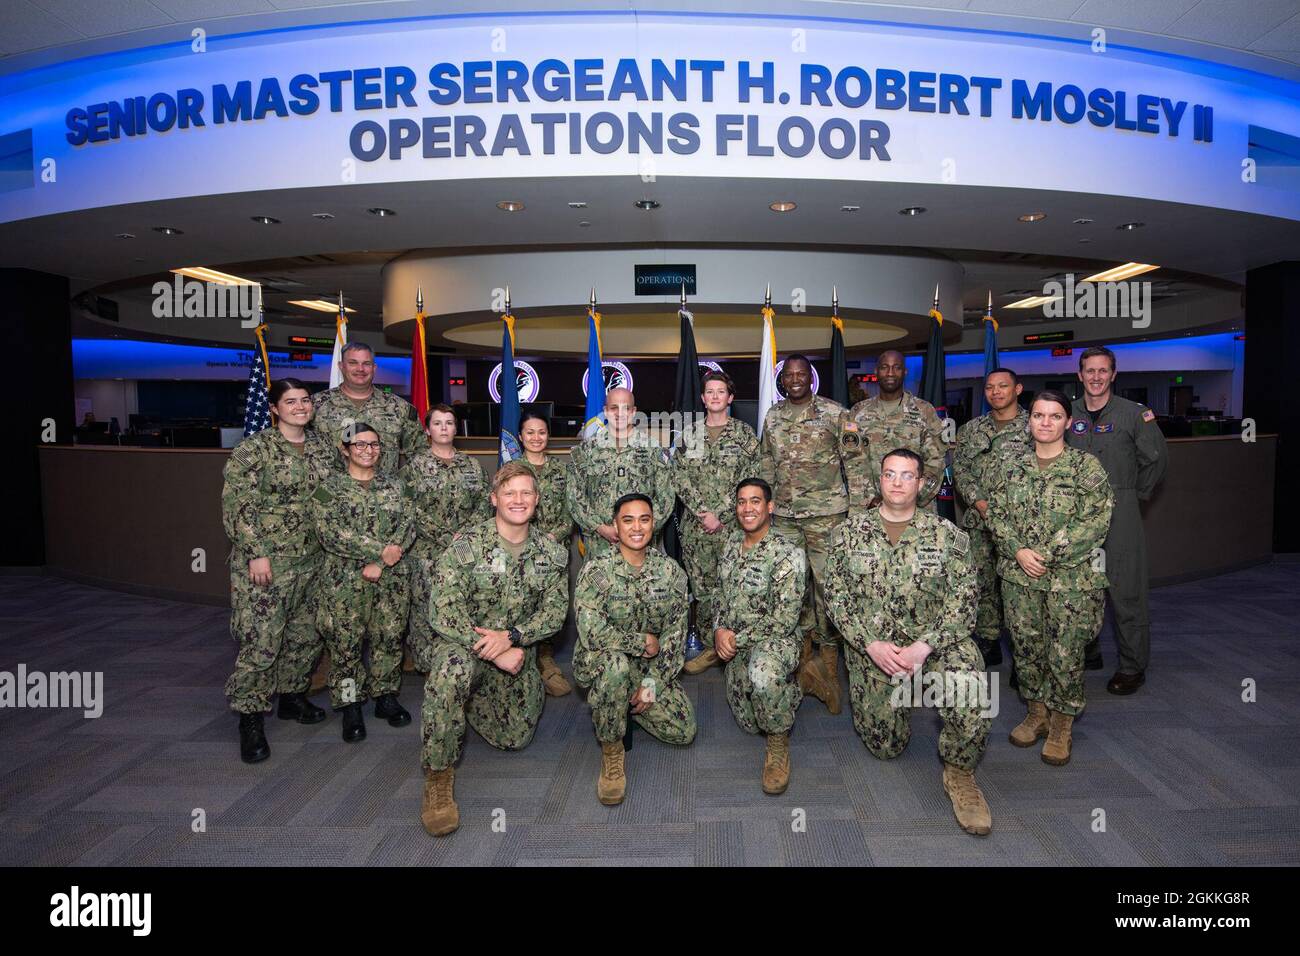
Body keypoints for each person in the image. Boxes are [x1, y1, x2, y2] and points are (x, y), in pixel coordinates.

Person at [824, 448, 992, 836]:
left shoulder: (948, 536)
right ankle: (906, 693)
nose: (897, 483)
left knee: (972, 689)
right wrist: (869, 644)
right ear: (879, 480)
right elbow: (835, 597)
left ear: (921, 483)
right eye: (890, 474)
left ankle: (960, 773)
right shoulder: (848, 534)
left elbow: (965, 602)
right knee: (886, 747)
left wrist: (925, 646)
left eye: (906, 475)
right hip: (876, 649)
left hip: (933, 644)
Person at [419, 462, 570, 836]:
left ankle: (471, 703)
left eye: (526, 493)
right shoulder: (465, 547)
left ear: (537, 500)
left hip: (516, 654)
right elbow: (442, 610)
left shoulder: (551, 553)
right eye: (509, 493)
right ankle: (439, 778)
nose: (518, 500)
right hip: (462, 645)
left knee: (514, 740)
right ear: (494, 499)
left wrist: (513, 638)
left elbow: (554, 614)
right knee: (451, 673)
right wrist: (492, 647)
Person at [986, 391, 1114, 766]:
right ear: (1029, 422)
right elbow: (995, 514)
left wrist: (1047, 554)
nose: (1045, 422)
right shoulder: (1010, 468)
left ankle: (1062, 723)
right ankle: (1037, 712)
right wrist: (1019, 552)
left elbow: (1096, 521)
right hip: (1019, 577)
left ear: (1066, 422)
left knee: (1065, 651)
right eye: (1038, 415)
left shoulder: (1085, 468)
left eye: (1054, 416)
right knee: (1026, 648)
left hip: (1070, 581)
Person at [222, 378, 337, 763]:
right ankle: (250, 717)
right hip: (268, 565)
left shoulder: (323, 448)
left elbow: (326, 494)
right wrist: (256, 553)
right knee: (262, 641)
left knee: (306, 636)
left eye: (305, 400)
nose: (301, 407)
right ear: (274, 408)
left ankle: (291, 696)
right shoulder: (254, 450)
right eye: (291, 402)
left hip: (313, 560)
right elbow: (239, 506)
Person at [307, 341, 427, 691]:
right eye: (353, 363)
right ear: (341, 367)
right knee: (342, 626)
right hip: (339, 514)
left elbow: (419, 452)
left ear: (375, 368)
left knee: (390, 624)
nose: (360, 369)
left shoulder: (397, 408)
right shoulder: (316, 407)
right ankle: (344, 688)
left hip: (390, 517)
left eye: (367, 363)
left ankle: (384, 688)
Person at [573, 494, 696, 806]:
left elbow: (673, 638)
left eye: (644, 519)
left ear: (654, 524)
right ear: (615, 525)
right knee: (615, 668)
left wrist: (651, 685)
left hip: (648, 668)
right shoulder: (596, 571)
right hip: (604, 661)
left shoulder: (671, 573)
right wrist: (639, 642)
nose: (637, 527)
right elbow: (592, 631)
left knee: (684, 731)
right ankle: (612, 750)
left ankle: (621, 706)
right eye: (628, 520)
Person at [1067, 346, 1169, 695]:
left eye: (1102, 371)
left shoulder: (1134, 414)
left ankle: (1131, 666)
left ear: (1113, 374)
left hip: (1120, 509)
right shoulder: (1067, 413)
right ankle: (1087, 652)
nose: (1095, 377)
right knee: (1077, 588)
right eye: (1089, 371)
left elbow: (1155, 460)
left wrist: (1133, 496)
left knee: (1126, 590)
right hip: (1076, 514)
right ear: (1079, 376)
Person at [310, 424, 416, 743]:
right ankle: (350, 704)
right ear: (345, 450)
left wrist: (383, 561)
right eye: (359, 445)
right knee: (346, 645)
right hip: (345, 579)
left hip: (391, 578)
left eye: (374, 445)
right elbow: (329, 532)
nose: (368, 451)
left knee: (389, 637)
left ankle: (385, 696)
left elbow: (409, 524)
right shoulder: (328, 488)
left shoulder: (398, 485)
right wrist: (376, 552)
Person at [757, 354, 847, 714]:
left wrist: (854, 513)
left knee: (828, 589)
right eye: (788, 375)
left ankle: (829, 665)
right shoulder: (774, 416)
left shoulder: (835, 413)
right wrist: (765, 502)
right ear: (782, 381)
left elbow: (853, 463)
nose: (794, 380)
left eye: (800, 374)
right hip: (785, 517)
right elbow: (765, 461)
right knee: (791, 589)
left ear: (811, 378)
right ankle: (800, 660)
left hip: (827, 517)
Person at [713, 478, 806, 794]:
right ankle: (790, 691)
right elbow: (720, 595)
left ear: (770, 507)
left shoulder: (787, 553)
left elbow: (783, 620)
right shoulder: (730, 545)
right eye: (741, 501)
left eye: (755, 501)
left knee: (763, 676)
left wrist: (735, 640)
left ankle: (778, 746)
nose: (747, 508)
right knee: (749, 722)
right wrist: (718, 630)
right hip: (737, 641)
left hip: (776, 641)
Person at [673, 371, 760, 675]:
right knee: (703, 590)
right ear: (702, 397)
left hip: (734, 527)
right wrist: (702, 512)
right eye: (709, 391)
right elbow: (679, 477)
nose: (714, 396)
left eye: (720, 391)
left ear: (730, 398)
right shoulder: (689, 435)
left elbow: (750, 479)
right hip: (696, 530)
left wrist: (720, 514)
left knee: (735, 585)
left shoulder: (745, 434)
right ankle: (713, 645)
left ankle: (738, 644)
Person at [953, 367, 1032, 667]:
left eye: (1003, 386)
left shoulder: (1034, 426)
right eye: (990, 387)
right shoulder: (971, 429)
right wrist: (979, 502)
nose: (996, 392)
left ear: (1018, 389)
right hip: (980, 521)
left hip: (1020, 525)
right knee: (982, 581)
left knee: (1019, 588)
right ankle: (988, 640)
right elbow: (960, 469)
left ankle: (1025, 655)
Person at [401, 404, 488, 673]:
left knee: (461, 605)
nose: (444, 428)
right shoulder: (415, 466)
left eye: (449, 423)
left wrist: (465, 535)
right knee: (426, 609)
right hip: (428, 553)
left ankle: (459, 662)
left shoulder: (471, 464)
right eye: (437, 423)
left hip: (465, 552)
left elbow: (485, 503)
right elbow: (409, 507)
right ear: (427, 429)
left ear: (456, 427)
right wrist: (447, 536)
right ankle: (427, 666)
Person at [566, 387, 674, 560]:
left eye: (626, 408)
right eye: (614, 407)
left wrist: (642, 528)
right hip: (600, 545)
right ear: (606, 411)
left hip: (641, 544)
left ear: (634, 412)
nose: (620, 413)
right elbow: (574, 496)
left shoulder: (653, 449)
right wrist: (599, 527)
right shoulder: (586, 450)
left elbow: (666, 497)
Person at [841, 349, 948, 515]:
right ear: (876, 372)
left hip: (915, 509)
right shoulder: (858, 412)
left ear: (904, 372)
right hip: (869, 508)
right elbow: (852, 460)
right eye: (885, 367)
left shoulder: (924, 411)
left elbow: (936, 462)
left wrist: (911, 497)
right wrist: (871, 498)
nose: (890, 373)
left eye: (896, 367)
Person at [518, 411, 576, 697]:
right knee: (522, 605)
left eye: (541, 432)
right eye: (530, 432)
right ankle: (522, 661)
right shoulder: (513, 471)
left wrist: (554, 536)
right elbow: (503, 511)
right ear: (520, 436)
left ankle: (545, 659)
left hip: (554, 551)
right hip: (520, 552)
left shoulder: (561, 470)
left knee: (551, 607)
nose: (536, 437)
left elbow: (572, 512)